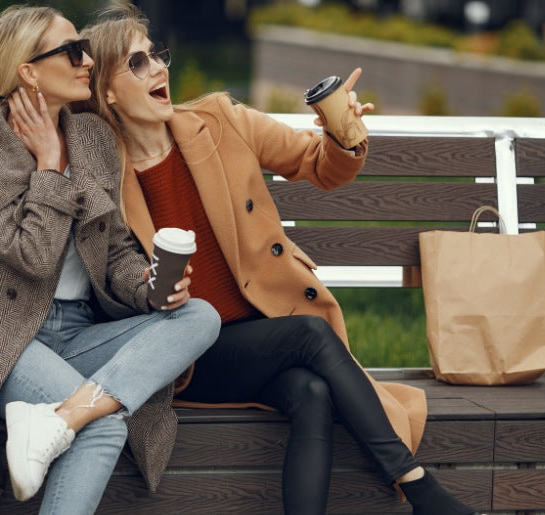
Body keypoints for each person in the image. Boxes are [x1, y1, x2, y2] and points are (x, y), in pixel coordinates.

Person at [75, 4, 477, 514]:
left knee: (312, 393)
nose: (158, 69)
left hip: (262, 331)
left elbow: (319, 165)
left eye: (157, 55)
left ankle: (418, 496)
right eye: (137, 63)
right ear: (106, 90)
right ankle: (420, 489)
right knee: (309, 335)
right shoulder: (102, 173)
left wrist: (342, 130)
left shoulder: (219, 121)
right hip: (187, 354)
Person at [0, 6, 220, 514]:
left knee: (201, 316)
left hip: (80, 333)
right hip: (5, 342)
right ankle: (71, 420)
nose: (87, 60)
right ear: (29, 71)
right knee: (102, 424)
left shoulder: (94, 138)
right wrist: (48, 166)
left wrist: (149, 287)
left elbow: (117, 251)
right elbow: (36, 259)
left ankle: (56, 423)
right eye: (72, 50)